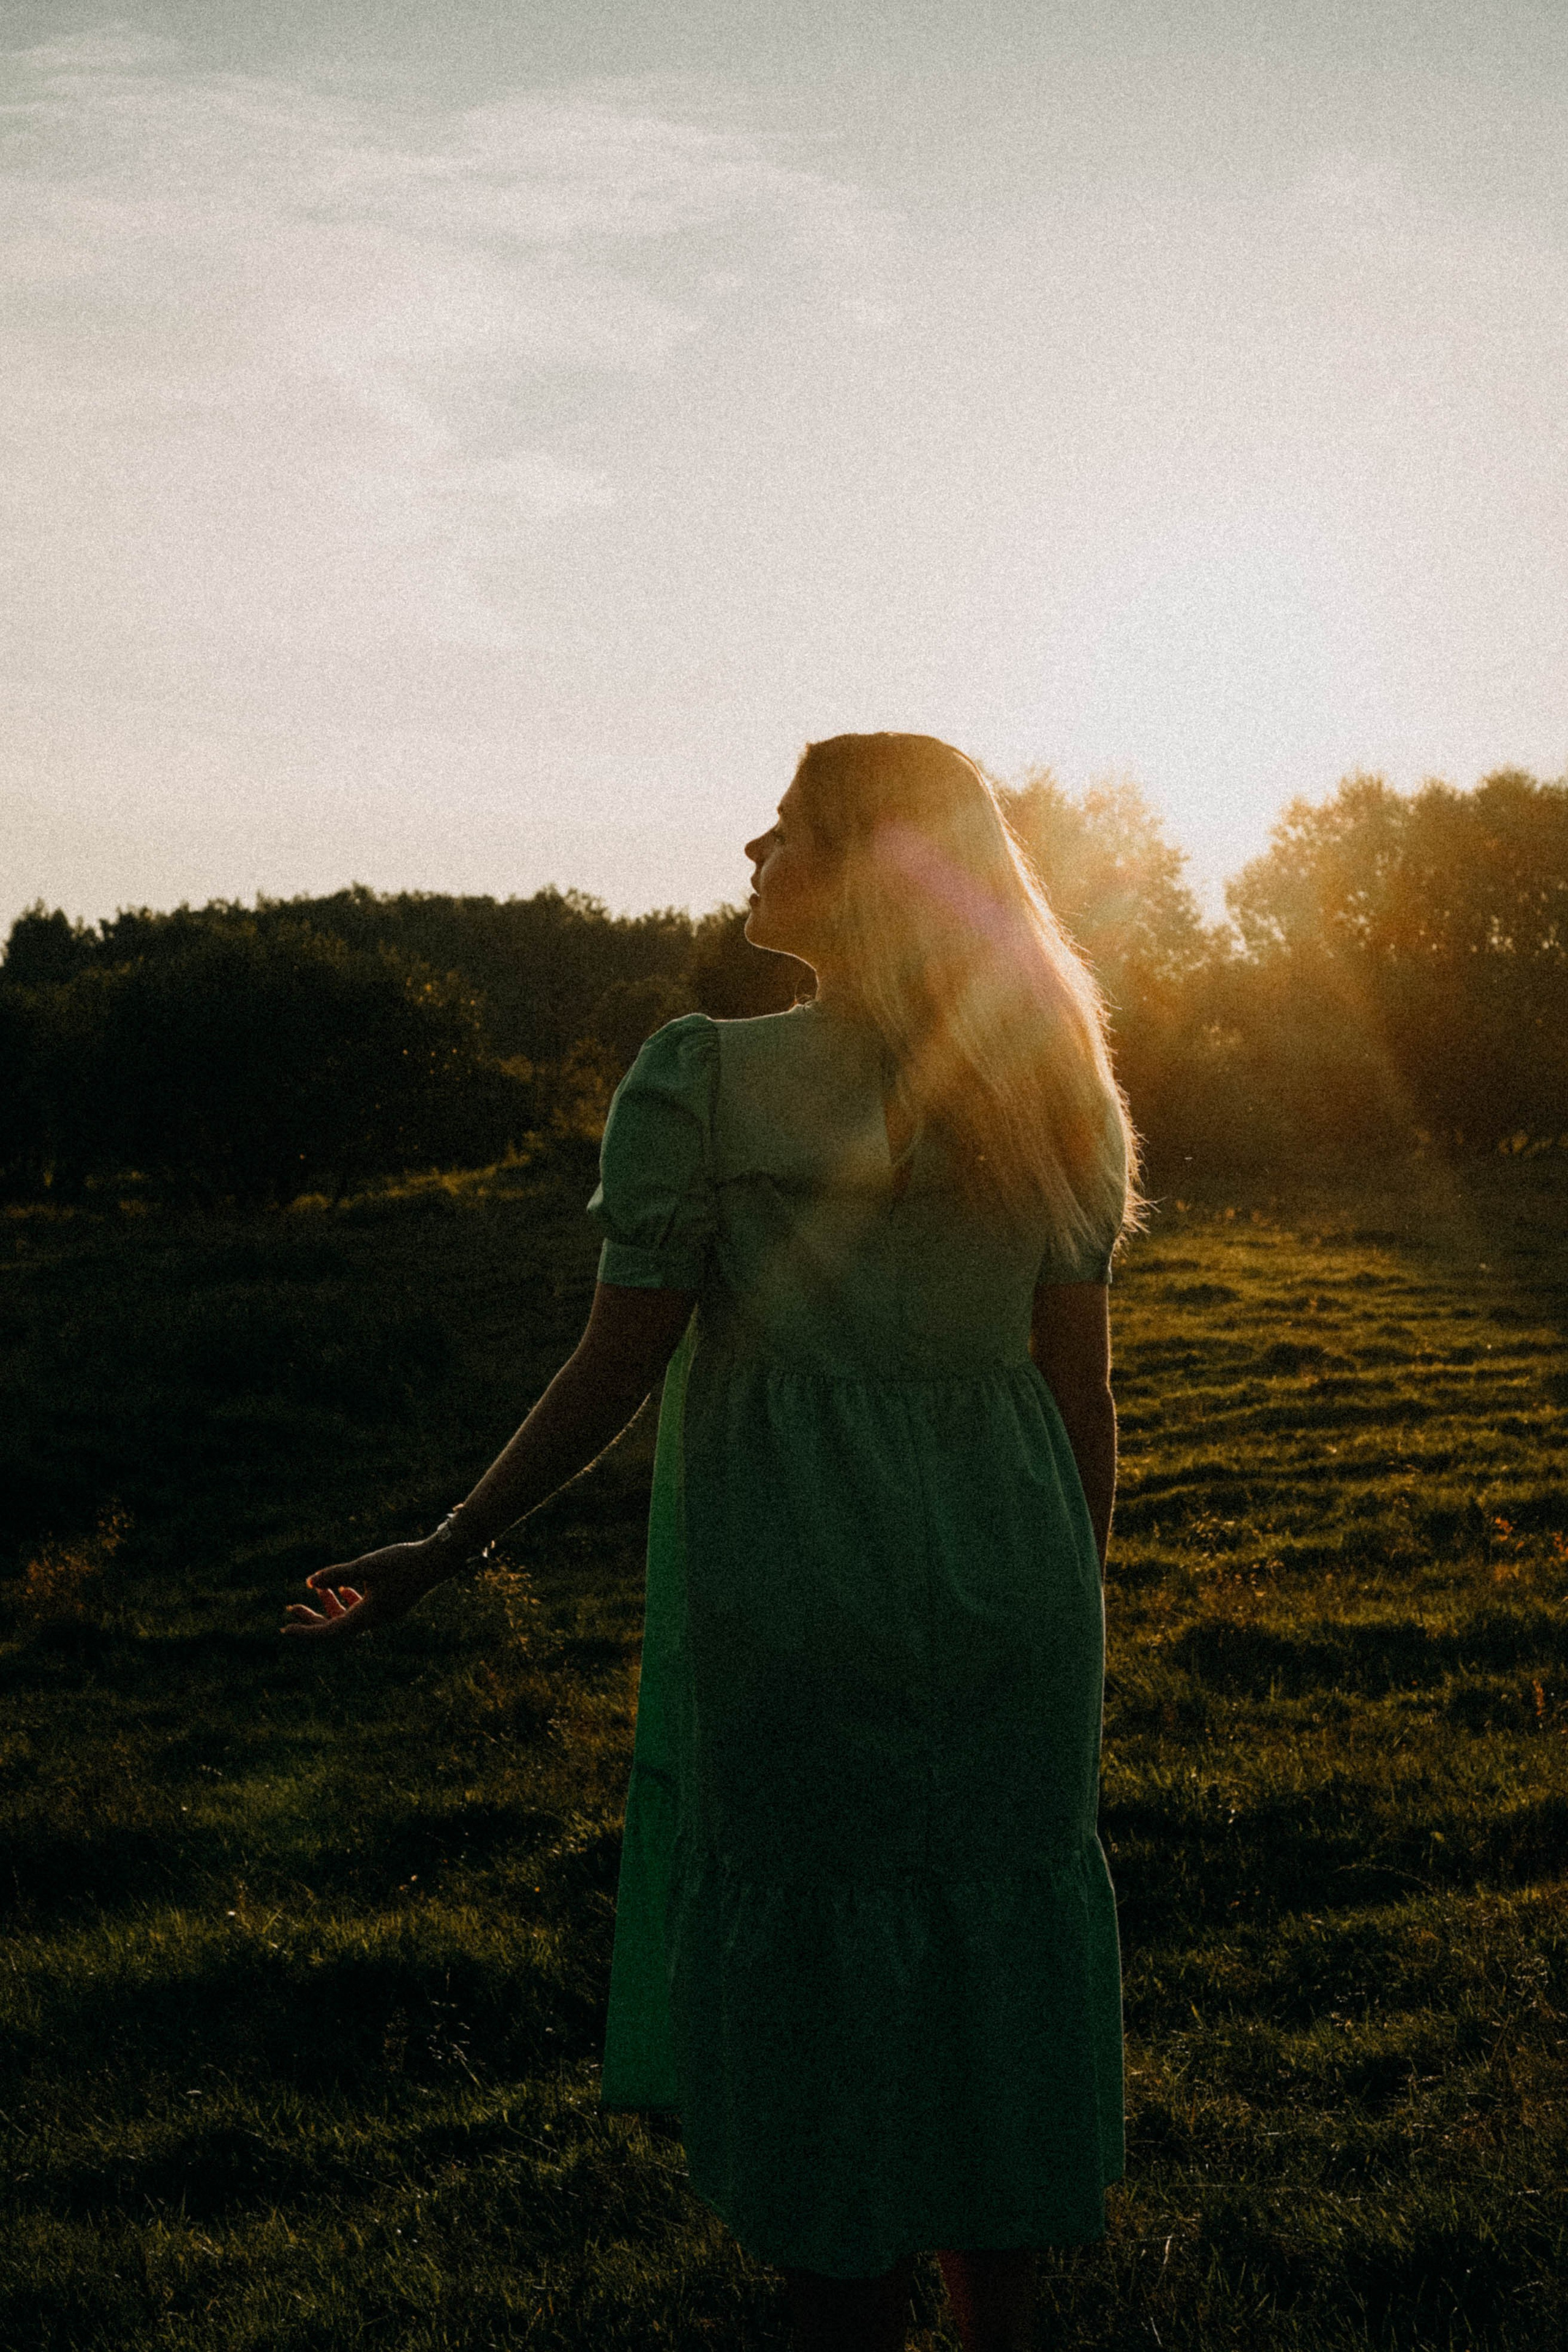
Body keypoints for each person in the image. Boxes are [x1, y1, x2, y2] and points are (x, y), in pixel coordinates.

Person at [284, 732, 1137, 2352]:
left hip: (800, 1581)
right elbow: (1079, 1394)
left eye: (791, 826)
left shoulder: (709, 1075)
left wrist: (454, 1539)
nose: (753, 848)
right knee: (988, 1955)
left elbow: (619, 1359)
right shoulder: (1056, 1083)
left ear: (874, 870)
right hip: (1018, 1589)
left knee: (824, 1976)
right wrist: (1072, 1607)